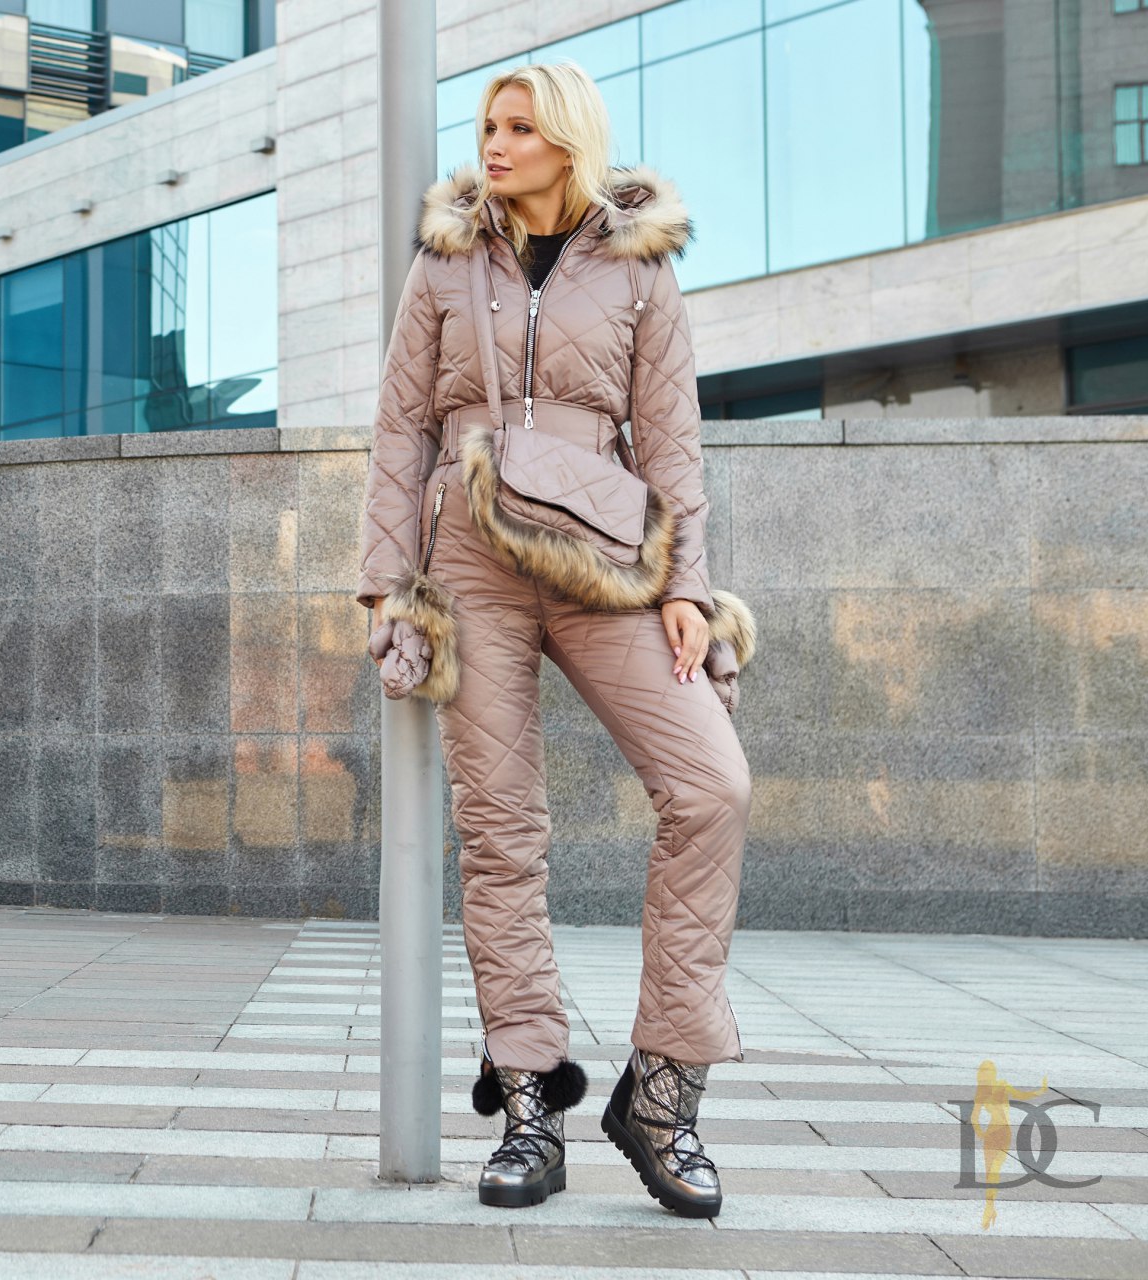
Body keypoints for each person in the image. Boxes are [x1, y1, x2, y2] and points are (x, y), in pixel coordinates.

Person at [357, 60, 754, 1218]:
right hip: (470, 558)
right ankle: (529, 1098)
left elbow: (670, 431)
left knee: (710, 784)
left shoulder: (636, 263)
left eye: (519, 126)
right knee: (499, 831)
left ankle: (663, 1090)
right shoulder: (444, 260)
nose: (494, 142)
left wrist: (684, 583)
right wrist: (387, 585)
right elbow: (398, 424)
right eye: (488, 123)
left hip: (602, 556)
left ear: (566, 141)